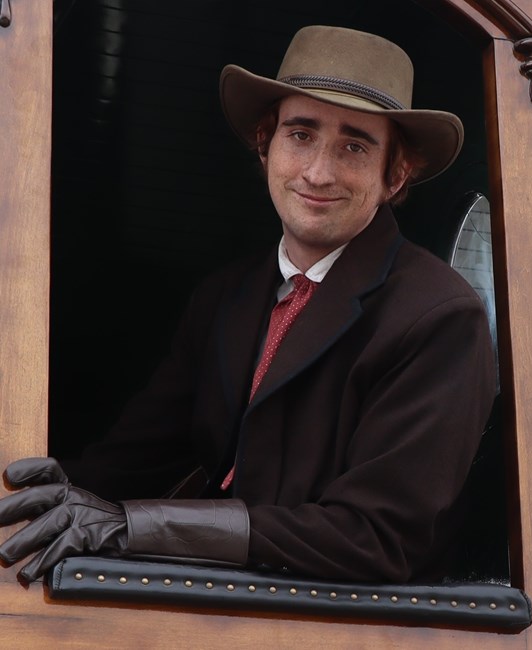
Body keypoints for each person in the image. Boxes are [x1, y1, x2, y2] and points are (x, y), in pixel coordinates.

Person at [0, 25, 495, 585]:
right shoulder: (226, 297)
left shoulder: (440, 318)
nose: (318, 171)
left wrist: (132, 528)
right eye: (300, 135)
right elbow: (123, 468)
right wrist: (23, 497)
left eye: (354, 146)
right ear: (265, 145)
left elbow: (375, 539)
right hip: (218, 608)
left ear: (396, 174)